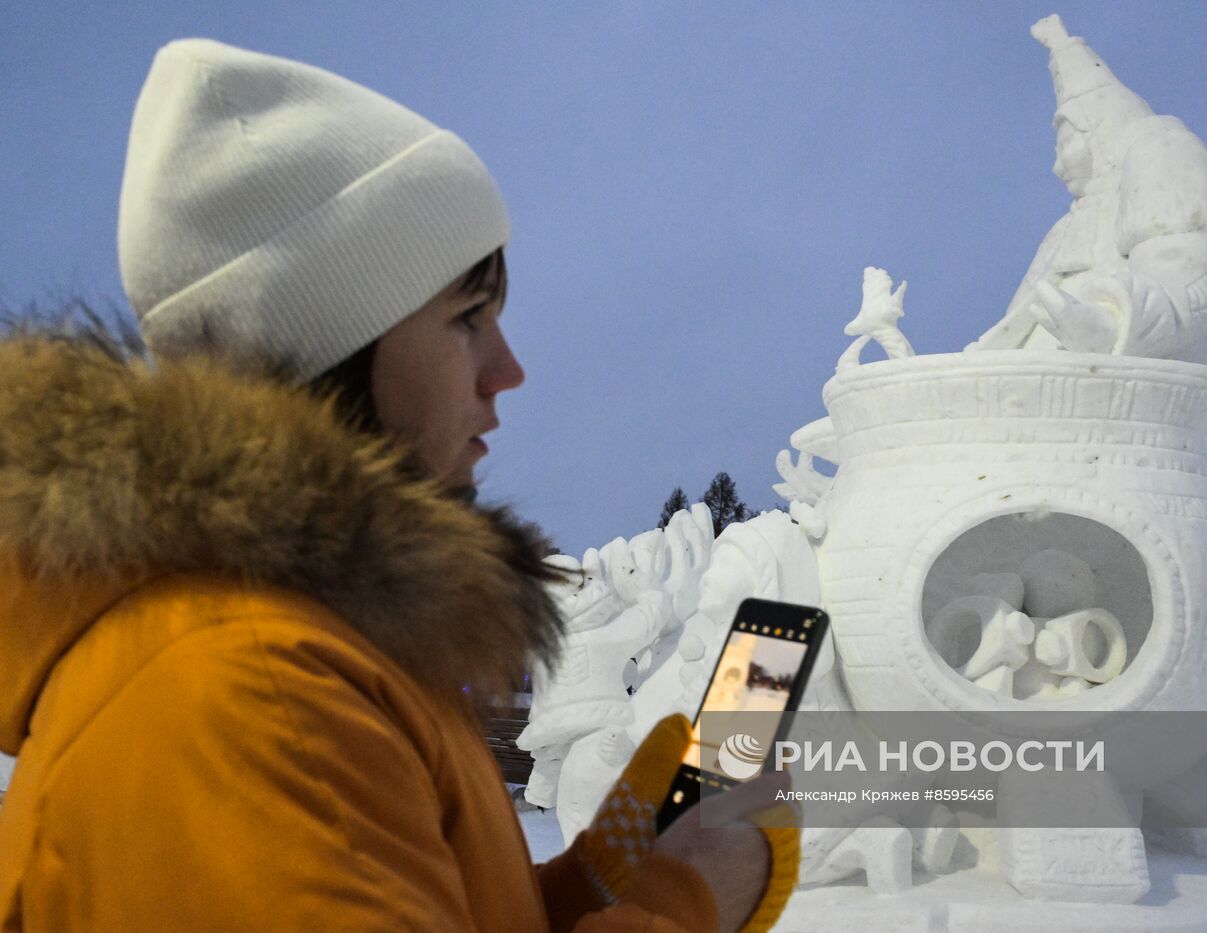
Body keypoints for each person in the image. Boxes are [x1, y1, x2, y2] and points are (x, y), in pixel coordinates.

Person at [0, 39, 796, 931]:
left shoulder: (320, 652)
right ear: (329, 345)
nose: (508, 370)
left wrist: (603, 874)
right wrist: (687, 895)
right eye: (467, 318)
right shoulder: (247, 691)